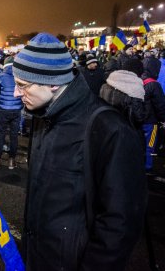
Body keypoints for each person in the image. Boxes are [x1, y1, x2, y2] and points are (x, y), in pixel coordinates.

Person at [12, 33, 146, 270]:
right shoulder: (43, 116)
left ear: (52, 82)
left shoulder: (110, 130)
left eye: (22, 85)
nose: (15, 93)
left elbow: (119, 224)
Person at [0, 60, 23, 170]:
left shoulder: (0, 76)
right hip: (17, 110)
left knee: (1, 134)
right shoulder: (20, 76)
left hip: (3, 109)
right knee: (14, 136)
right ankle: (12, 161)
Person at [141, 56, 165, 172]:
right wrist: (163, 119)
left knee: (141, 144)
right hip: (151, 120)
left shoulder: (140, 80)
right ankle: (148, 167)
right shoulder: (155, 85)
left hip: (140, 119)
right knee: (150, 145)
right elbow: (160, 105)